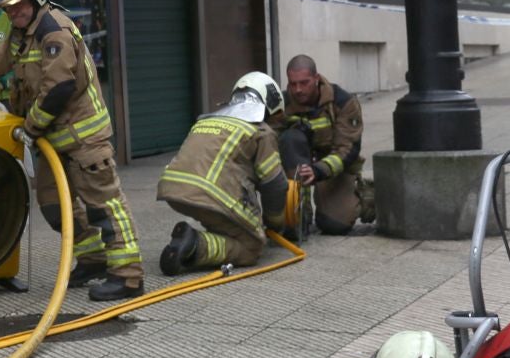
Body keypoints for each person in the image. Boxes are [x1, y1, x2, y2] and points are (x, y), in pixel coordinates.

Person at [0, 0, 143, 301]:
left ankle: (128, 275)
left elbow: (59, 88)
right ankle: (93, 259)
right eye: (9, 8)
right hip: (50, 139)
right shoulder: (20, 34)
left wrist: (28, 129)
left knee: (103, 205)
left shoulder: (53, 30)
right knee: (52, 205)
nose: (14, 13)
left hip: (82, 138)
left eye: (20, 5)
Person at [157, 72, 291, 274]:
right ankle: (196, 244)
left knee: (227, 226)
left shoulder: (206, 120)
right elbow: (274, 184)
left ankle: (189, 243)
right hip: (210, 194)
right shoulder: (261, 131)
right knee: (251, 248)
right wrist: (275, 224)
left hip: (174, 189)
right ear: (268, 102)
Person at [280, 54, 376, 235]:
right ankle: (299, 212)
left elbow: (348, 149)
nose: (298, 90)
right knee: (290, 138)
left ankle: (366, 195)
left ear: (316, 79)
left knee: (334, 225)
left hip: (332, 169)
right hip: (294, 168)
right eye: (293, 84)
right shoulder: (281, 104)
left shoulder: (343, 102)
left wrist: (318, 170)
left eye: (304, 82)